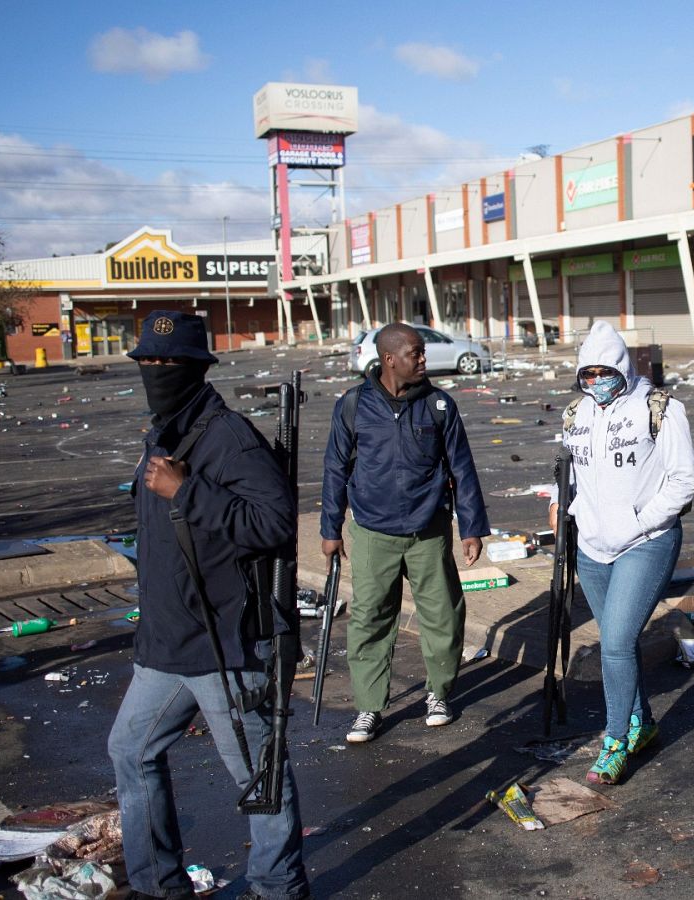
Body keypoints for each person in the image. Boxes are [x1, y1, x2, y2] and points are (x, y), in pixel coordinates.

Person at [108, 311, 309, 900]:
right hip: (167, 643)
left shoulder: (228, 437)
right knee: (130, 751)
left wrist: (186, 491)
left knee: (258, 774)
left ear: (197, 368)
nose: (156, 370)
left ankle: (277, 887)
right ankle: (157, 885)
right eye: (147, 361)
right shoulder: (163, 433)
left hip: (224, 645)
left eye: (168, 362)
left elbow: (274, 524)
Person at [321, 323, 488, 743]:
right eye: (416, 353)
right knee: (370, 619)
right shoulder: (353, 405)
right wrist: (330, 528)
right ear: (389, 359)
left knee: (443, 615)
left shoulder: (439, 405)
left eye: (423, 352)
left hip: (428, 530)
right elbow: (335, 469)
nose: (423, 360)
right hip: (372, 532)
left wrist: (471, 528)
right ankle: (369, 707)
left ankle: (438, 693)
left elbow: (462, 468)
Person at [550, 321, 694, 785]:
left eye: (604, 372)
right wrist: (560, 503)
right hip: (592, 546)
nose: (596, 381)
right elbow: (571, 471)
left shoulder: (660, 409)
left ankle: (614, 742)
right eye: (588, 374)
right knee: (621, 641)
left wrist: (640, 521)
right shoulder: (576, 413)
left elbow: (684, 480)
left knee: (613, 643)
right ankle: (642, 723)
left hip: (645, 542)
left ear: (622, 368)